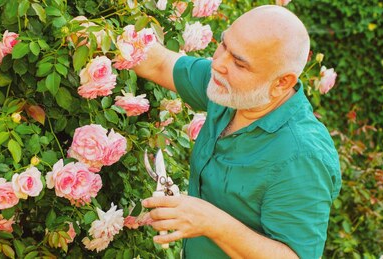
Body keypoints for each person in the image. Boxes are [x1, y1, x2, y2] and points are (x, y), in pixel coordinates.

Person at [137, 5, 342, 258]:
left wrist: (212, 222)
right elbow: (159, 64)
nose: (218, 64)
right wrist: (92, 34)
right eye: (224, 45)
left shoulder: (302, 156)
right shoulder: (230, 89)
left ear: (282, 82)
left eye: (240, 64)